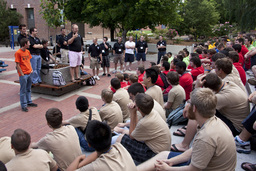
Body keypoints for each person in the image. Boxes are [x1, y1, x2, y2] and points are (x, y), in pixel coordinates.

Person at [137, 88, 237, 171]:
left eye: (188, 103)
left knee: (158, 165)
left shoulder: (206, 136)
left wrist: (167, 169)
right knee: (163, 156)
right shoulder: (212, 122)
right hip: (207, 165)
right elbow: (194, 151)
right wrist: (172, 161)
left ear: (194, 108)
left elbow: (194, 169)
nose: (186, 106)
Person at [116, 93, 171, 164]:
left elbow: (131, 136)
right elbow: (136, 128)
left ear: (138, 108)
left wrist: (132, 112)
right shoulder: (153, 112)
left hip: (156, 155)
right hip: (163, 149)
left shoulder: (144, 122)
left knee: (120, 139)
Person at [66, 120, 137, 171]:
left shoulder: (95, 167)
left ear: (89, 145)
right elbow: (98, 153)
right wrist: (80, 165)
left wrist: (78, 159)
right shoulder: (119, 147)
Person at [15, 38, 38, 112]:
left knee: (28, 89)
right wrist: (22, 74)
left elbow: (29, 61)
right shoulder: (18, 53)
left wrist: (31, 70)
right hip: (24, 74)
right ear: (25, 44)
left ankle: (29, 102)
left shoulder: (28, 51)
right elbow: (17, 64)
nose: (29, 44)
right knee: (23, 90)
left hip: (29, 73)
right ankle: (23, 105)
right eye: (28, 43)